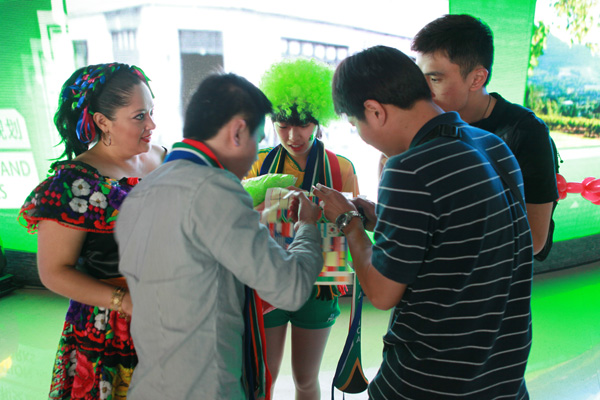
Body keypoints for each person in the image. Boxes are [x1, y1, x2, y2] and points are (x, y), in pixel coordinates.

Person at [313, 45, 533, 399]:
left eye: (356, 125)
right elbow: (462, 239)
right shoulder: (492, 146)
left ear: (374, 111)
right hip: (500, 376)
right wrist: (380, 218)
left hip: (432, 381)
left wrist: (348, 222)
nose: (363, 136)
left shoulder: (408, 168)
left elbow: (383, 293)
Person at [114, 73, 325, 400]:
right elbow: (291, 288)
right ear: (238, 131)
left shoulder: (142, 193)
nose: (256, 154)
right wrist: (307, 226)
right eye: (257, 139)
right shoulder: (215, 188)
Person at [19, 63, 164, 399]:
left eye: (151, 113)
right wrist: (124, 301)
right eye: (139, 116)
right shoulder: (73, 184)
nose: (152, 125)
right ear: (102, 121)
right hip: (114, 325)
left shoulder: (162, 156)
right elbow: (53, 272)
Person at [245, 58, 359, 400]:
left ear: (319, 120)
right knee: (264, 376)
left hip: (320, 284)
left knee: (306, 380)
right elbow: (236, 224)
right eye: (282, 125)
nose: (293, 136)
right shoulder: (258, 164)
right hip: (269, 280)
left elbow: (353, 227)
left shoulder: (341, 168)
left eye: (304, 124)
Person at [411, 13, 559, 258]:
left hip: (492, 288)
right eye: (420, 77)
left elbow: (534, 240)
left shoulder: (525, 132)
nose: (422, 90)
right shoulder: (427, 124)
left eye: (435, 79)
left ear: (477, 78)